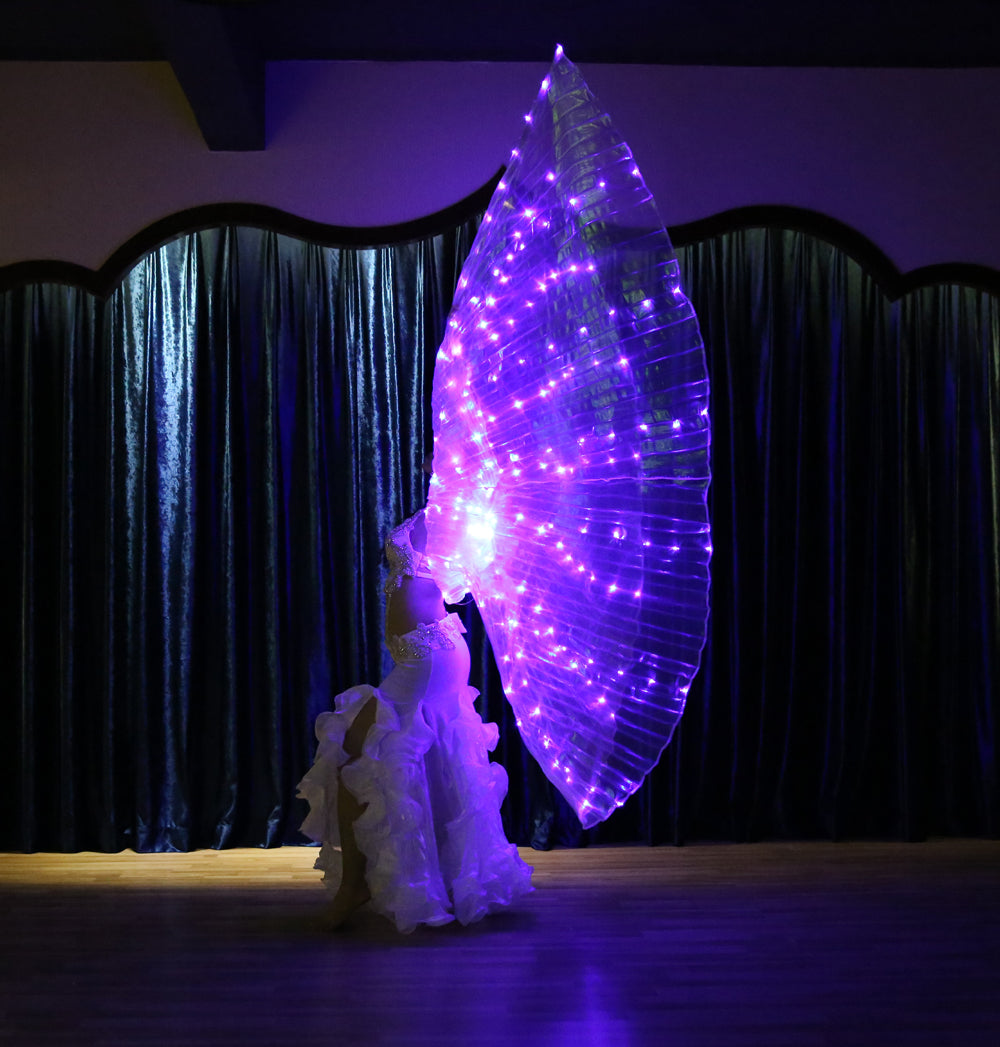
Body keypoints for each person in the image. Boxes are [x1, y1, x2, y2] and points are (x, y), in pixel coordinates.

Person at [296, 479, 533, 932]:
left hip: (429, 657)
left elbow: (462, 575)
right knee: (418, 759)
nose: (432, 459)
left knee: (357, 751)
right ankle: (436, 881)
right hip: (424, 653)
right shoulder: (440, 510)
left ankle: (356, 886)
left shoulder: (458, 516)